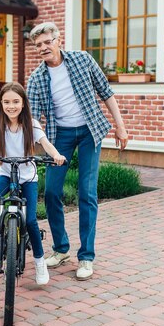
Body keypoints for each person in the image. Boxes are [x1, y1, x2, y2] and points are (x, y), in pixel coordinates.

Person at [26, 22, 129, 281]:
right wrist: (26, 146)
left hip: (89, 132)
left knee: (87, 192)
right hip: (58, 136)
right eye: (38, 45)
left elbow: (106, 92)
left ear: (58, 40)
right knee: (51, 192)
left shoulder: (82, 60)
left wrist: (120, 126)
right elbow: (33, 119)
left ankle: (86, 257)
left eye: (47, 42)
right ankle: (61, 249)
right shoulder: (36, 78)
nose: (43, 47)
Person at [0, 82, 66, 285]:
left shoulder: (32, 124)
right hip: (6, 172)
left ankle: (39, 262)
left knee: (30, 220)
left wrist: (56, 155)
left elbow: (46, 144)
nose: (11, 106)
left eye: (15, 101)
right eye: (6, 102)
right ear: (1, 103)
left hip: (28, 177)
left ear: (23, 103)